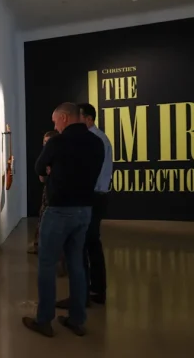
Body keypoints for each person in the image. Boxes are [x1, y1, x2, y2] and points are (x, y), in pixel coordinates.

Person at [22, 102, 104, 338]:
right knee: (76, 264)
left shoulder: (57, 142)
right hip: (84, 211)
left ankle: (44, 320)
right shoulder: (96, 142)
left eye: (55, 120)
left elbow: (39, 167)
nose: (55, 125)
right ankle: (77, 319)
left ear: (65, 118)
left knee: (47, 264)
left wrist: (52, 169)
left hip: (59, 210)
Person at [55, 103, 113, 309]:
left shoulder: (94, 140)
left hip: (92, 196)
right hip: (96, 195)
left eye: (78, 118)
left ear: (87, 119)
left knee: (82, 245)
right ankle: (94, 290)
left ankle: (83, 295)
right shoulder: (99, 139)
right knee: (91, 244)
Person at [27, 130, 58, 255]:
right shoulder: (46, 156)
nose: (46, 145)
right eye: (44, 142)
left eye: (48, 142)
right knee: (43, 217)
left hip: (56, 192)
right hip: (49, 191)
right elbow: (42, 177)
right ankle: (39, 244)